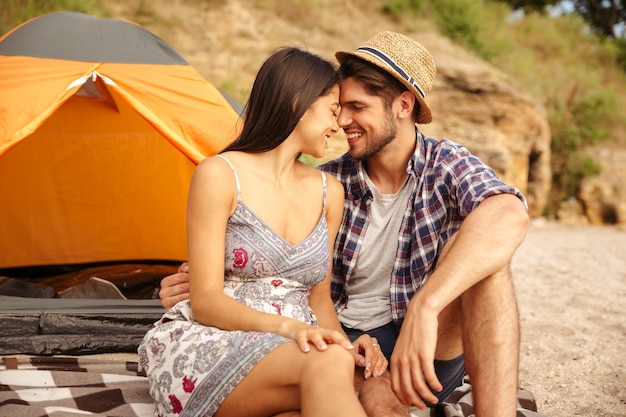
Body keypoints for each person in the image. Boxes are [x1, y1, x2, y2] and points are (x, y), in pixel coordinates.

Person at [159, 32, 529, 417]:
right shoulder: (329, 182)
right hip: (345, 342)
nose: (343, 121)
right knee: (372, 397)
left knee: (488, 264)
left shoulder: (445, 164)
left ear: (403, 105)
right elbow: (265, 265)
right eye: (338, 108)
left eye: (356, 107)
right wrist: (201, 282)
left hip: (425, 341)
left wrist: (426, 306)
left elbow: (508, 213)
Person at [139, 46, 380, 417]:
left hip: (299, 352)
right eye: (333, 111)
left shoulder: (329, 193)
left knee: (339, 372)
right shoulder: (220, 175)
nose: (338, 126)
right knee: (329, 363)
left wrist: (348, 347)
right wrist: (291, 329)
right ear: (298, 103)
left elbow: (319, 301)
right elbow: (205, 300)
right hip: (218, 339)